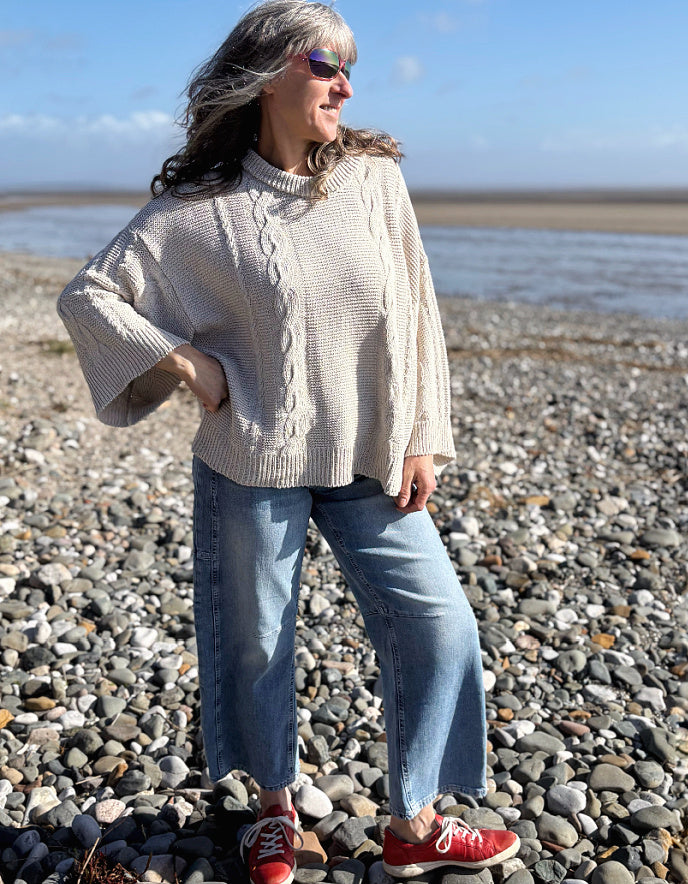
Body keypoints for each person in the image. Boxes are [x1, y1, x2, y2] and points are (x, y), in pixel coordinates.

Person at [57, 1, 520, 882]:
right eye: (324, 64)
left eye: (349, 68)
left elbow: (417, 312)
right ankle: (273, 808)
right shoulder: (200, 212)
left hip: (368, 457)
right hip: (254, 460)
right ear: (268, 73)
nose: (344, 83)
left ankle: (416, 819)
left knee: (443, 624)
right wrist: (186, 361)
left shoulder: (374, 180)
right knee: (258, 638)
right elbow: (91, 296)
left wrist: (421, 435)